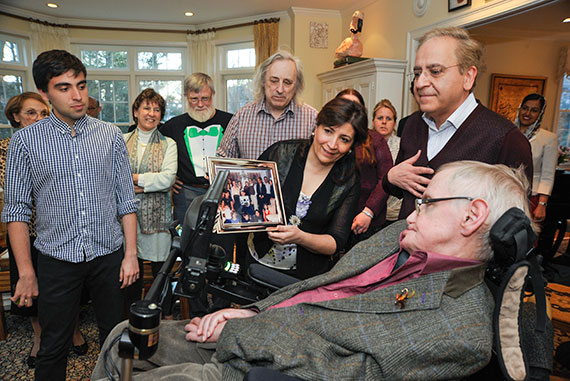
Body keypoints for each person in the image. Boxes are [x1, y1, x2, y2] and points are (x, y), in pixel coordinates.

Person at [92, 160, 532, 380]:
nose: (411, 212)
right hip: (259, 329)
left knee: (123, 355)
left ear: (472, 217)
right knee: (119, 335)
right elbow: (318, 288)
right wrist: (251, 310)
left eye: (427, 203)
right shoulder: (394, 240)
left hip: (259, 369)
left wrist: (248, 329)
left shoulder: (460, 330)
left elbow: (338, 372)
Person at [2, 49, 139, 380]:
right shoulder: (25, 142)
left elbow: (126, 200)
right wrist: (25, 272)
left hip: (108, 255)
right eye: (64, 88)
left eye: (81, 84)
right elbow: (16, 210)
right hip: (57, 259)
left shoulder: (109, 136)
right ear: (45, 92)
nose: (77, 95)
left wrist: (131, 254)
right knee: (53, 345)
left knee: (118, 339)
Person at [382, 26, 533, 218]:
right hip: (405, 242)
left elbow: (514, 229)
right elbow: (402, 189)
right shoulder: (412, 124)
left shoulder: (505, 139)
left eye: (435, 71)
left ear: (468, 77)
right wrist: (391, 177)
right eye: (418, 73)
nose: (420, 83)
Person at [248, 97, 367, 280]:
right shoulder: (280, 154)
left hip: (304, 278)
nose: (332, 145)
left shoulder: (349, 181)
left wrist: (300, 237)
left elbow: (336, 241)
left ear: (352, 146)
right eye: (328, 131)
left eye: (344, 139)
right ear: (316, 126)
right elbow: (245, 195)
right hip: (254, 262)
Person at [123, 88, 177, 319]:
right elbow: (114, 176)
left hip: (158, 221)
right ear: (136, 111)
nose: (151, 113)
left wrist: (133, 179)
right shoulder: (121, 141)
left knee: (160, 273)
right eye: (146, 107)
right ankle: (130, 318)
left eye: (156, 109)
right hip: (126, 219)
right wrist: (149, 181)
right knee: (129, 273)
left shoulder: (169, 144)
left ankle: (161, 319)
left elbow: (167, 179)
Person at [217, 50, 317, 160]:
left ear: (297, 86)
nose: (280, 89)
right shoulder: (241, 117)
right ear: (263, 81)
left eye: (287, 83)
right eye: (274, 81)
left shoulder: (312, 119)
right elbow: (222, 159)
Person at [160, 73, 233, 224]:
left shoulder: (231, 121)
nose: (200, 104)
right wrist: (169, 178)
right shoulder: (173, 126)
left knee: (222, 241)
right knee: (186, 243)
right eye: (194, 99)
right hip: (187, 193)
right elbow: (155, 154)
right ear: (186, 96)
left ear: (213, 94)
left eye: (205, 98)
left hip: (224, 191)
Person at [335, 89, 392, 247]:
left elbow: (386, 179)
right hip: (332, 222)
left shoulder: (375, 139)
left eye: (355, 107)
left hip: (366, 222)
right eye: (345, 105)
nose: (350, 111)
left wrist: (368, 212)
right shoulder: (328, 139)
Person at [514, 93, 558, 223]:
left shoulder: (548, 138)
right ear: (520, 109)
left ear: (540, 114)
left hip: (531, 198)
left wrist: (541, 205)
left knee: (525, 237)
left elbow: (547, 175)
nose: (527, 113)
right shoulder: (509, 132)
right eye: (525, 108)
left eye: (534, 110)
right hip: (505, 192)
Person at [371, 99, 403, 226]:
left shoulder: (402, 145)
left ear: (394, 122)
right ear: (373, 121)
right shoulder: (364, 144)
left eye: (388, 119)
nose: (384, 122)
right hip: (367, 210)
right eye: (380, 118)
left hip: (394, 212)